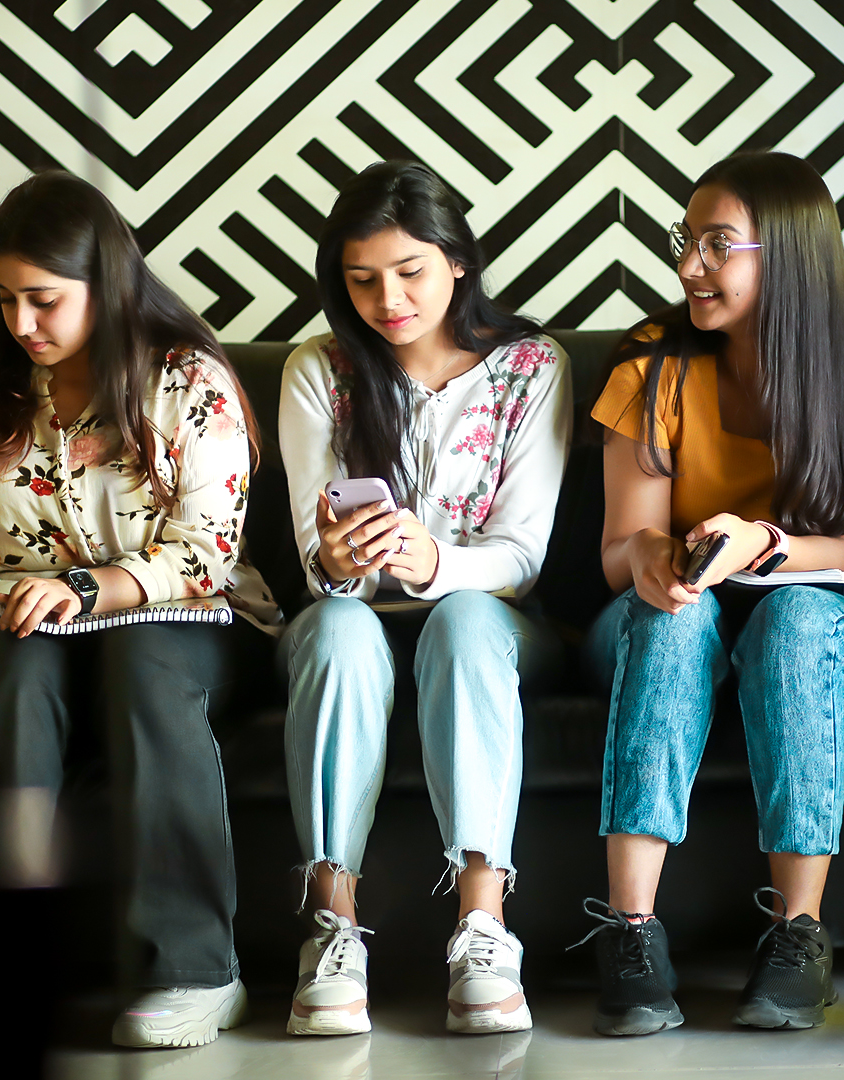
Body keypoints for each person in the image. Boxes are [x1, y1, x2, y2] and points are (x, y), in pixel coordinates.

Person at [0, 172, 279, 1049]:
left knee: (141, 667)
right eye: (6, 299)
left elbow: (205, 553)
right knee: (10, 672)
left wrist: (83, 589)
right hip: (15, 610)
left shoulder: (187, 380)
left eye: (43, 299)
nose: (21, 322)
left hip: (177, 614)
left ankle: (195, 971)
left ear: (105, 284)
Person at [580, 150, 844, 1036]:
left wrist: (761, 543)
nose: (688, 265)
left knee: (794, 617)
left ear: (791, 252)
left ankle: (798, 933)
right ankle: (630, 933)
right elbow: (620, 549)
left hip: (825, 605)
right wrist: (656, 553)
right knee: (672, 614)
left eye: (717, 245)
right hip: (678, 607)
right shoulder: (653, 361)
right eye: (686, 240)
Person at [275, 160, 571, 1036]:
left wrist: (436, 560)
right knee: (335, 623)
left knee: (467, 617)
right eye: (362, 280)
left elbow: (520, 557)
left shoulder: (530, 366)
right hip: (356, 617)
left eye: (409, 272)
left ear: (458, 261)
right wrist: (338, 561)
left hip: (491, 619)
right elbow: (318, 564)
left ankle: (484, 929)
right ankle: (333, 928)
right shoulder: (317, 370)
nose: (388, 300)